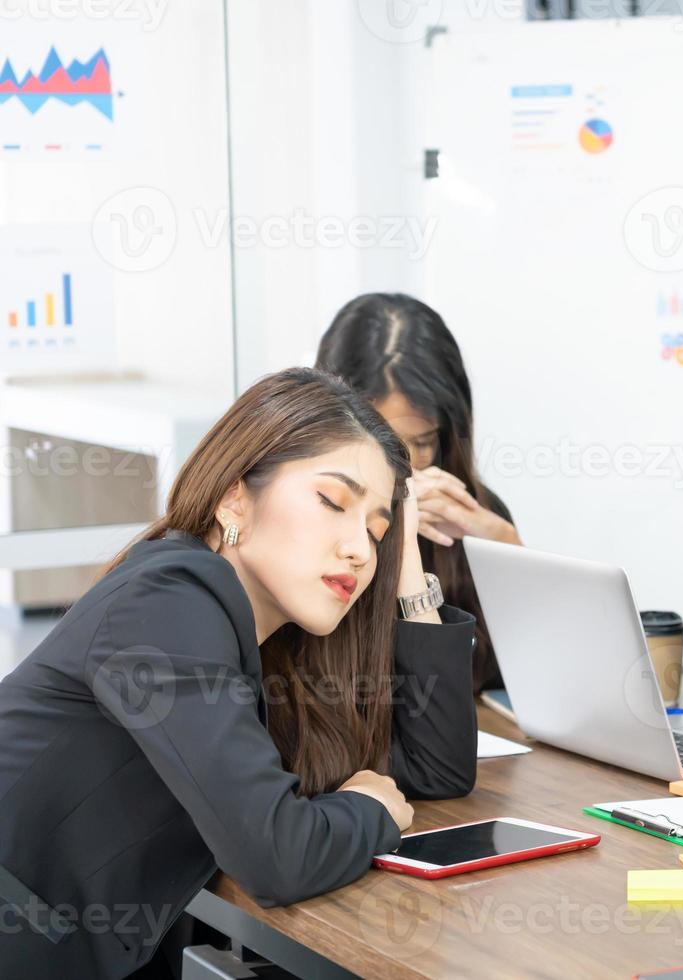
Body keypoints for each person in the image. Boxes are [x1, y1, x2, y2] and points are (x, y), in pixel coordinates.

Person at [0, 369, 477, 979]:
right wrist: (369, 811)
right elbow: (275, 855)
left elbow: (436, 769)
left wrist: (407, 566)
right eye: (333, 502)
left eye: (376, 529)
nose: (360, 548)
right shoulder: (166, 603)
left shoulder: (266, 641)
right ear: (234, 498)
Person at [317, 293, 519, 693]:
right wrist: (390, 534)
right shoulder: (311, 520)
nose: (405, 467)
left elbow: (524, 677)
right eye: (386, 443)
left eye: (423, 442)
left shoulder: (471, 512)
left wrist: (507, 548)